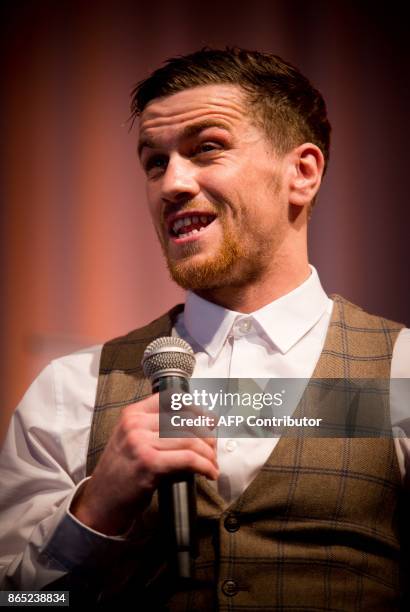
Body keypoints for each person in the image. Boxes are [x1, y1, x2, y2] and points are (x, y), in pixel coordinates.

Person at [1, 47, 409, 611]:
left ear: (302, 172)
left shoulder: (400, 368)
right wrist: (93, 511)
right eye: (154, 162)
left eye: (206, 148)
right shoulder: (69, 389)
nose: (171, 184)